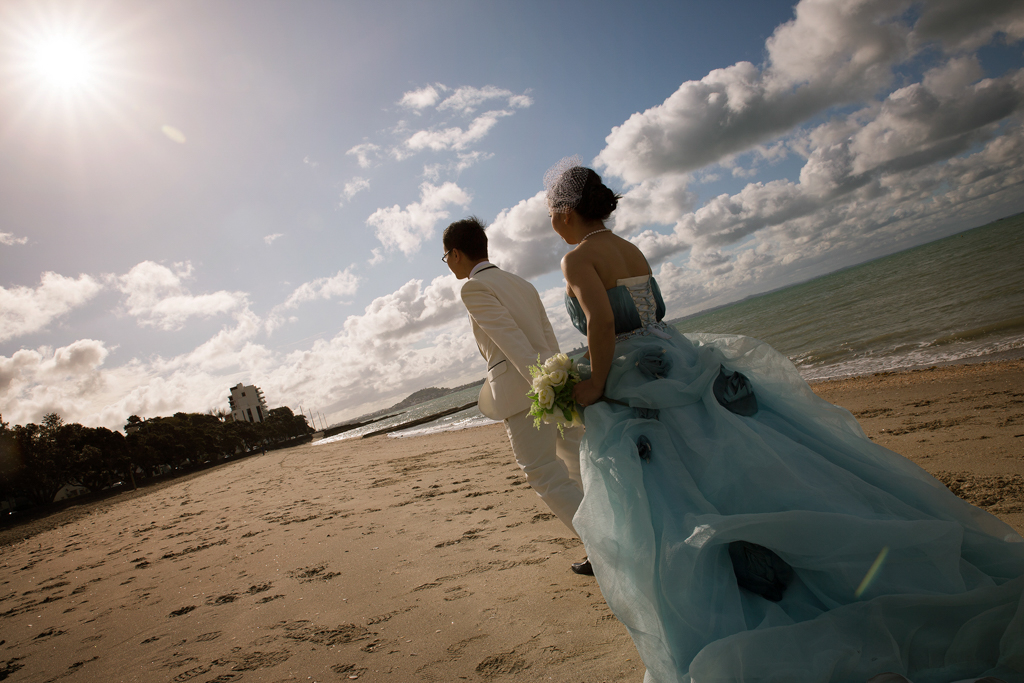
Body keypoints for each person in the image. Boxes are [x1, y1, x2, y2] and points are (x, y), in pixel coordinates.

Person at [544, 156, 1024, 683]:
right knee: (733, 460)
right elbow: (652, 311)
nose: (550, 221)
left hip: (639, 378)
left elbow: (603, 321)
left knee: (671, 496)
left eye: (551, 210)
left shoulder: (577, 260)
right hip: (677, 357)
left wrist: (592, 384)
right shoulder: (629, 248)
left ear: (568, 211)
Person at [443, 217, 591, 574]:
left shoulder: (474, 288)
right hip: (555, 382)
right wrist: (560, 383)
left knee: (542, 472)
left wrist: (543, 389)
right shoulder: (521, 283)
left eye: (446, 256)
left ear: (457, 253)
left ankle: (603, 546)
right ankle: (610, 540)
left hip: (530, 393)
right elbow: (547, 340)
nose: (447, 263)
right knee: (575, 469)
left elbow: (511, 340)